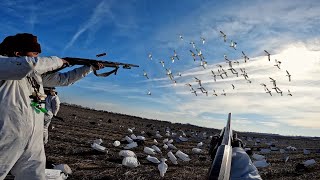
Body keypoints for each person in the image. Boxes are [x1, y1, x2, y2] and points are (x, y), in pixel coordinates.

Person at [0, 33, 116, 180]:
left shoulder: (35, 75)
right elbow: (29, 65)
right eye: (34, 53)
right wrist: (59, 61)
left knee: (34, 176)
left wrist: (88, 68)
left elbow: (64, 79)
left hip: (33, 140)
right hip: (6, 137)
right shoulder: (4, 65)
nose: (37, 56)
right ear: (17, 53)